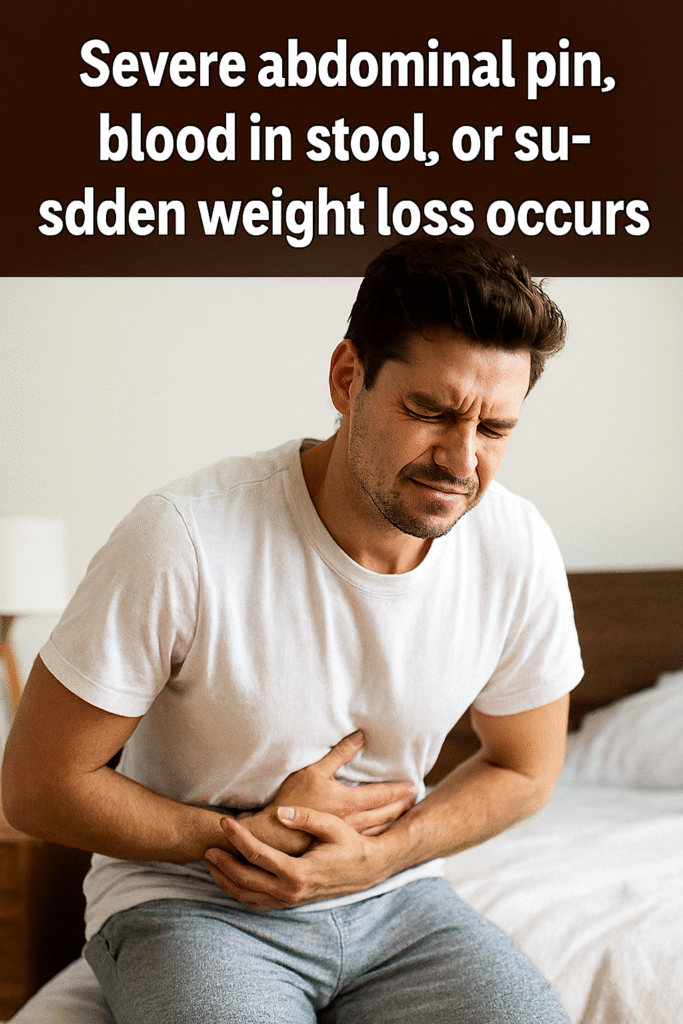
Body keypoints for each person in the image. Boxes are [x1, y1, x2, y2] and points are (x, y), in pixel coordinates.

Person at [2, 236, 583, 1023]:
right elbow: (39, 787)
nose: (460, 459)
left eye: (494, 428)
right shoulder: (185, 537)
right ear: (348, 378)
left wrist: (380, 857)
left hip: (396, 903)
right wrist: (238, 836)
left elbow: (526, 769)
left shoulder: (515, 545)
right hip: (191, 904)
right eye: (430, 411)